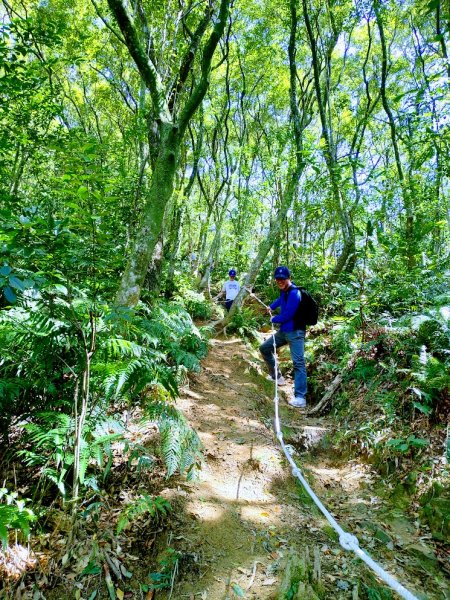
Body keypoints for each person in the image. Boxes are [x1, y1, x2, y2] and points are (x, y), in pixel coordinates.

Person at [259, 266, 307, 408]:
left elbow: (288, 315)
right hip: (284, 331)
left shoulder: (294, 293)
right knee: (265, 348)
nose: (280, 281)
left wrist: (274, 319)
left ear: (288, 278)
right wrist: (271, 306)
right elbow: (280, 300)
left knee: (298, 362)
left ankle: (300, 397)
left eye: (282, 279)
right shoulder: (284, 291)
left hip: (295, 332)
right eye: (277, 279)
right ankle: (277, 376)